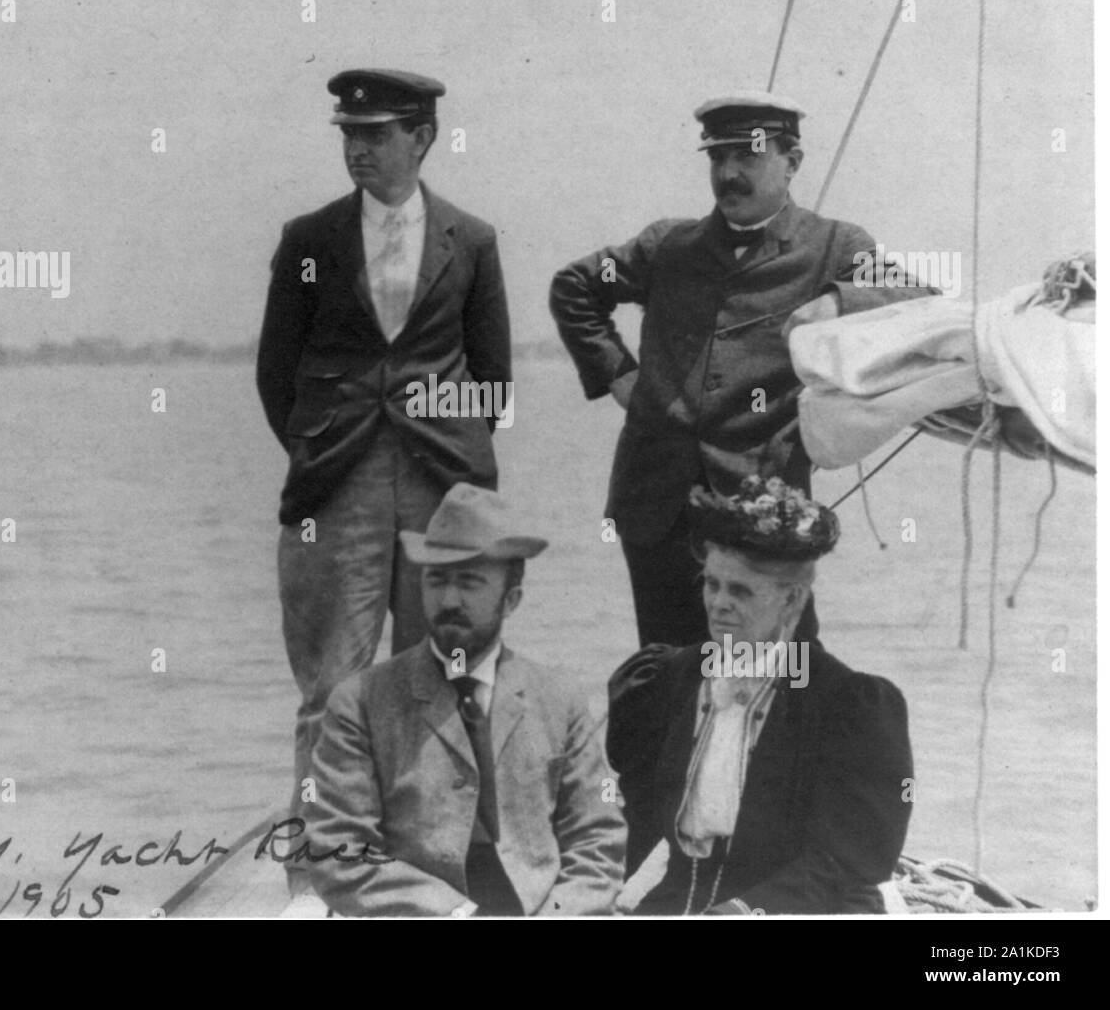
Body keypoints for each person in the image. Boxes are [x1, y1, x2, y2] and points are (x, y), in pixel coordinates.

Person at [549, 90, 933, 647]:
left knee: (785, 673)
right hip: (656, 505)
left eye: (747, 156)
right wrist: (617, 373)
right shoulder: (668, 246)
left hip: (765, 507)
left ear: (792, 162)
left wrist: (839, 301)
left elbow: (920, 299)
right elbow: (575, 287)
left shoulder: (832, 246)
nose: (728, 173)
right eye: (717, 157)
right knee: (667, 673)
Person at [256, 69, 512, 892]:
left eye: (377, 134)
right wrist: (321, 448)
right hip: (337, 486)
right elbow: (276, 372)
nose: (358, 149)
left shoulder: (470, 240)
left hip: (441, 486)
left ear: (422, 138)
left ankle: (425, 875)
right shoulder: (309, 239)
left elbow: (493, 380)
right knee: (330, 686)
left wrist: (450, 448)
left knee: (437, 678)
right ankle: (314, 881)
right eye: (348, 135)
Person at [301, 483, 626, 917]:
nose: (449, 600)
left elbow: (598, 834)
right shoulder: (360, 703)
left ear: (511, 600)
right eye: (436, 579)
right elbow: (340, 851)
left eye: (470, 582)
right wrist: (454, 913)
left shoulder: (560, 699)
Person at [606, 477, 913, 915]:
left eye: (741, 591)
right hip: (677, 900)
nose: (718, 604)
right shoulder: (666, 678)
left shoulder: (848, 704)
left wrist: (744, 910)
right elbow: (637, 814)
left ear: (792, 601)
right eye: (712, 584)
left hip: (795, 905)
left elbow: (845, 859)